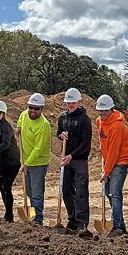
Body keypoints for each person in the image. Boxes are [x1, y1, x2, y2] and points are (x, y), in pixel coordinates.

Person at [95, 94, 128, 237]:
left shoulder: (117, 126)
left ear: (111, 109)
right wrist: (104, 162)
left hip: (120, 162)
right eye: (100, 110)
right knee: (109, 194)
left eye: (105, 111)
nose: (103, 113)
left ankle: (116, 227)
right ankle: (121, 225)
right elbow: (103, 143)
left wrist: (106, 171)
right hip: (108, 160)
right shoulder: (99, 121)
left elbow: (114, 151)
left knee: (115, 194)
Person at [57, 88, 92, 235]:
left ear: (79, 102)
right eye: (68, 102)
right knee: (65, 190)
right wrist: (61, 135)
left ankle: (82, 223)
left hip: (79, 160)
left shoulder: (84, 120)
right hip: (66, 159)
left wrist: (72, 155)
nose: (70, 105)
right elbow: (58, 132)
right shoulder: (62, 117)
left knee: (81, 192)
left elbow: (86, 143)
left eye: (72, 102)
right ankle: (72, 219)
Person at [16, 92, 52, 225]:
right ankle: (32, 214)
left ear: (42, 109)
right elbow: (21, 117)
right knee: (28, 190)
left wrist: (27, 164)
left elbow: (38, 149)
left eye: (36, 108)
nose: (32, 110)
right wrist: (19, 126)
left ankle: (38, 219)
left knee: (36, 192)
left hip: (38, 162)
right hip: (26, 160)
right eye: (30, 107)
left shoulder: (44, 125)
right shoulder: (25, 114)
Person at [0, 100, 20, 222]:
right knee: (1, 187)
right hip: (4, 161)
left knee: (6, 186)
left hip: (13, 162)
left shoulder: (6, 127)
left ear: (3, 114)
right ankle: (8, 213)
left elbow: (6, 144)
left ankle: (9, 215)